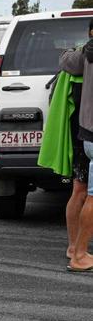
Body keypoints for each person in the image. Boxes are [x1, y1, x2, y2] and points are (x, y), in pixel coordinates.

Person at [59, 19, 93, 272]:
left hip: (84, 134)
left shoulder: (85, 55)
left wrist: (76, 49)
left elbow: (65, 61)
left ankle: (73, 247)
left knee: (79, 191)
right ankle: (80, 255)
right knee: (91, 197)